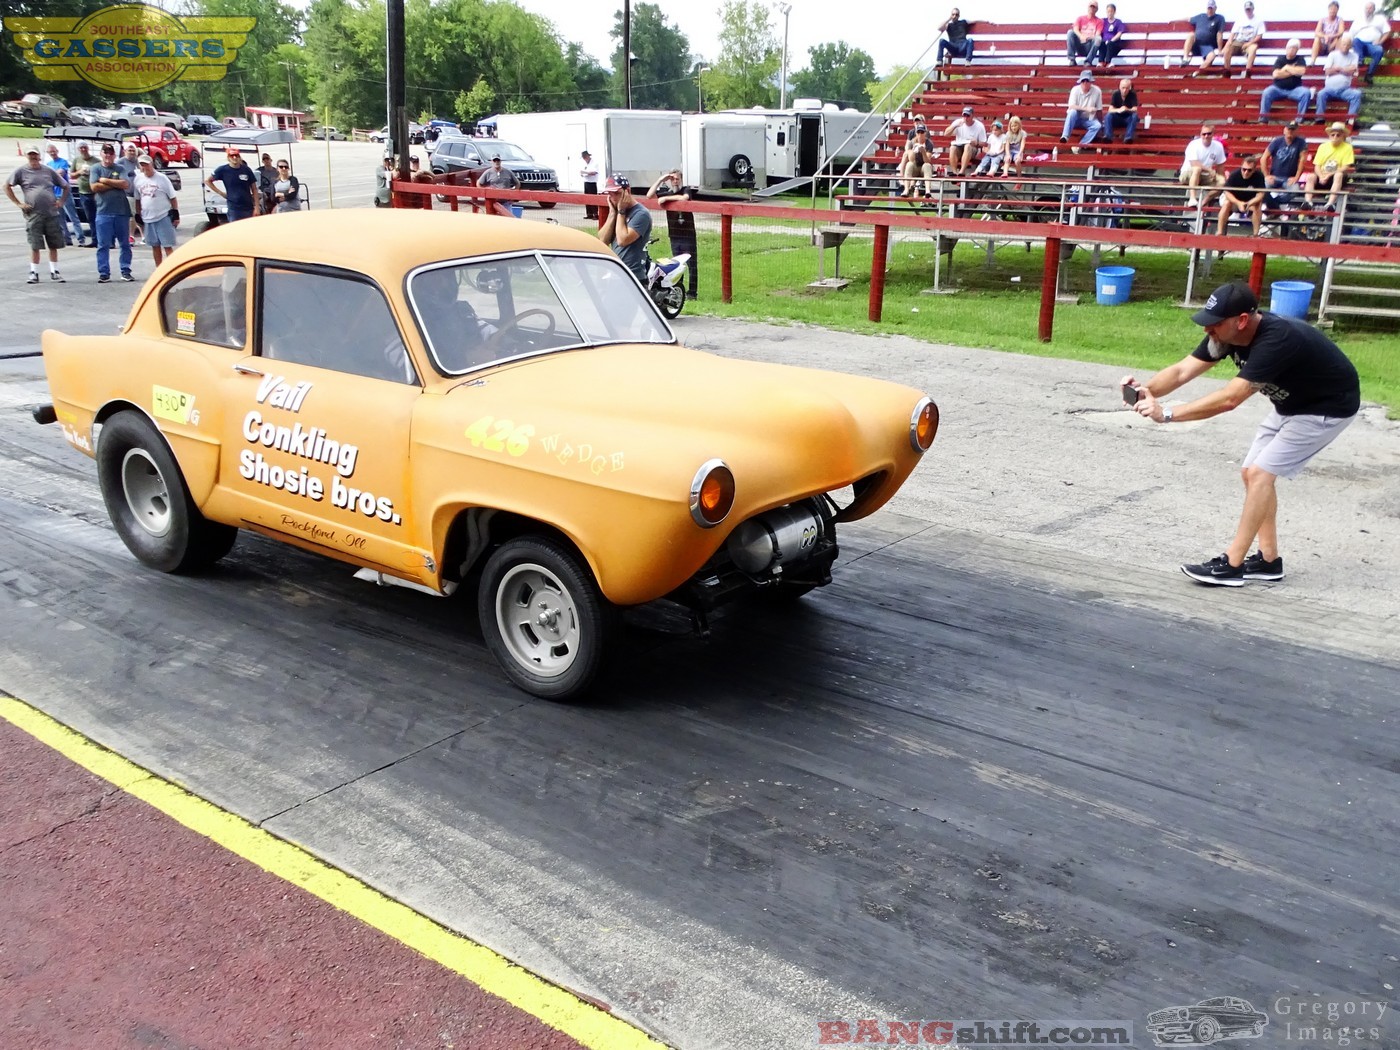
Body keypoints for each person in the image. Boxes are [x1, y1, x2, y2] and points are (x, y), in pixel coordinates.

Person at [1121, 281, 1359, 586]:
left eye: (1215, 325)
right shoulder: (1225, 336)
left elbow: (1230, 399)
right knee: (1250, 472)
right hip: (1291, 405)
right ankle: (1269, 561)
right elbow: (1183, 371)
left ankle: (1232, 565)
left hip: (1327, 408)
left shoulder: (1277, 339)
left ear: (1242, 320)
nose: (1208, 331)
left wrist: (1167, 414)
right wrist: (1145, 390)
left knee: (1261, 474)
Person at [5, 147, 67, 284]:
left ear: (39, 156)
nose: (33, 157)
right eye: (30, 155)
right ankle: (34, 272)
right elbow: (7, 186)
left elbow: (65, 185)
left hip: (51, 213)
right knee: (35, 244)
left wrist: (61, 201)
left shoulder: (48, 170)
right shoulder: (21, 171)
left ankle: (54, 271)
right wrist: (18, 203)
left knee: (53, 244)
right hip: (33, 213)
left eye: (35, 154)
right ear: (27, 156)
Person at [646, 169, 698, 298]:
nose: (675, 181)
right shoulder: (666, 192)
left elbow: (684, 198)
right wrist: (660, 180)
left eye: (677, 178)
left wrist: (666, 198)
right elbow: (649, 195)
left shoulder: (686, 190)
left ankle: (692, 293)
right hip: (674, 235)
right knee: (677, 264)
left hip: (688, 235)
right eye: (672, 179)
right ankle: (678, 289)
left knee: (692, 264)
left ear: (681, 179)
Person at [88, 142, 133, 283]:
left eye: (110, 153)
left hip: (121, 211)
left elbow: (125, 184)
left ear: (114, 155)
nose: (108, 155)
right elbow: (94, 187)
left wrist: (105, 180)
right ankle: (104, 272)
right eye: (105, 152)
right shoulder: (95, 168)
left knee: (124, 243)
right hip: (103, 212)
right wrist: (114, 183)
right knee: (103, 245)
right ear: (101, 153)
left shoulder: (120, 168)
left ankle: (125, 271)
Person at [598, 174, 651, 283]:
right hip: (615, 273)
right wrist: (613, 213)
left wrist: (621, 212)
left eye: (617, 193)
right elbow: (603, 240)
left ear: (627, 191)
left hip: (634, 276)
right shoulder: (616, 212)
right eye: (609, 194)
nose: (613, 198)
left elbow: (623, 240)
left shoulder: (641, 214)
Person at [131, 153, 178, 266]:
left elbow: (172, 197)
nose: (144, 167)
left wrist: (175, 213)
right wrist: (138, 214)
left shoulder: (162, 178)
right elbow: (138, 198)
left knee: (167, 246)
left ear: (151, 164)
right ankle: (159, 269)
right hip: (148, 218)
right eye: (142, 165)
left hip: (163, 216)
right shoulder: (138, 179)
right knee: (155, 246)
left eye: (146, 165)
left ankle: (172, 269)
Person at [1303, 121, 1354, 209]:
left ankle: (1330, 203)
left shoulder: (1347, 147)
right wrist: (1321, 176)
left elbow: (1345, 166)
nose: (1335, 137)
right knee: (1311, 176)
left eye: (1338, 135)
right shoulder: (1323, 146)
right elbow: (1317, 165)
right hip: (1322, 174)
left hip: (1336, 175)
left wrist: (1329, 175)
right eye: (1333, 135)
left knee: (1338, 175)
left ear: (1343, 136)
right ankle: (1308, 201)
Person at [1215, 154, 1267, 241]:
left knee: (1257, 206)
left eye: (1249, 170)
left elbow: (1260, 194)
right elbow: (1227, 192)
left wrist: (1249, 203)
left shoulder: (1259, 176)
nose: (1246, 172)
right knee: (1227, 203)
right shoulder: (1235, 175)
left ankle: (1255, 234)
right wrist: (1238, 203)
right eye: (1244, 169)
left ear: (1254, 170)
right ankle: (1219, 232)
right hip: (1234, 201)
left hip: (1249, 202)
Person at [1258, 39, 1311, 121]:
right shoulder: (1280, 59)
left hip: (1295, 89)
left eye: (1294, 48)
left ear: (1297, 50)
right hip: (1278, 88)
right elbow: (1275, 75)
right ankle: (1263, 119)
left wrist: (1286, 68)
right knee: (1267, 92)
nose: (1291, 50)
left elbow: (1301, 72)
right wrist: (1293, 71)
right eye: (1290, 47)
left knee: (1306, 93)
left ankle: (1299, 120)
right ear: (1286, 48)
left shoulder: (1300, 59)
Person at [205, 147, 260, 222]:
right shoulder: (223, 170)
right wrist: (221, 193)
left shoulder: (246, 169)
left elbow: (254, 189)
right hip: (234, 208)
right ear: (228, 158)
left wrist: (257, 207)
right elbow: (208, 181)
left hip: (248, 207)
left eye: (236, 155)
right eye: (232, 156)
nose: (234, 157)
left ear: (239, 157)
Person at [1261, 120, 1309, 208]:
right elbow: (1263, 158)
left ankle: (1275, 202)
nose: (1290, 131)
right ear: (1284, 130)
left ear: (1296, 131)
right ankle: (1274, 204)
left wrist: (1297, 177)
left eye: (1293, 129)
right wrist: (1266, 175)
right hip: (1274, 176)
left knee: (1295, 190)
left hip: (1289, 178)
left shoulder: (1301, 142)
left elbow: (1303, 160)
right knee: (1261, 187)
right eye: (1288, 129)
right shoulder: (1277, 141)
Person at [1316, 35, 1363, 120]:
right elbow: (1328, 72)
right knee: (1321, 94)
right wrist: (1345, 69)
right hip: (1329, 89)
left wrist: (1338, 68)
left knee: (1357, 94)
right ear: (1339, 44)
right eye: (1344, 44)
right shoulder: (1332, 55)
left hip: (1344, 90)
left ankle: (1350, 120)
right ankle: (1319, 119)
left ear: (1350, 46)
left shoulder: (1354, 56)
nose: (1345, 46)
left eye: (1348, 44)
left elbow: (1352, 71)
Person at [1180, 123, 1227, 207]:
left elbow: (1220, 167)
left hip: (1205, 176)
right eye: (1203, 134)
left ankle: (1205, 201)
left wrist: (1219, 177)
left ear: (1213, 134)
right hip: (1187, 174)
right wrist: (1210, 170)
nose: (1206, 136)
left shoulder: (1218, 146)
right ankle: (1192, 198)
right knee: (1197, 169)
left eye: (1209, 133)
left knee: (1222, 181)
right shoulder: (1193, 144)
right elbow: (1194, 163)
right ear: (1200, 134)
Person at [1219, 1, 1266, 77]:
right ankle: (1227, 71)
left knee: (1254, 48)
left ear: (1253, 9)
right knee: (1227, 49)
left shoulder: (1259, 21)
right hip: (1238, 42)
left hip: (1250, 43)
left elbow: (1259, 36)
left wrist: (1249, 43)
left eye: (1249, 9)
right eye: (1247, 9)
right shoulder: (1240, 19)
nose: (1248, 11)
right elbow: (1233, 34)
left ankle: (1248, 72)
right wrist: (1229, 43)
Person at [1349, 0, 1392, 83]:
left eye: (1370, 8)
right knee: (1356, 40)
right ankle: (1360, 60)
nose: (1368, 10)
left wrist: (1380, 41)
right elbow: (1351, 34)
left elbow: (1387, 31)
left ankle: (1369, 74)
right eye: (1367, 8)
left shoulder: (1380, 19)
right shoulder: (1358, 19)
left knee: (1379, 51)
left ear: (1374, 9)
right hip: (1360, 44)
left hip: (1373, 44)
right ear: (1364, 9)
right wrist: (1349, 47)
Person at [1060, 70, 1103, 149]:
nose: (1085, 83)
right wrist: (1086, 109)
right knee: (1072, 112)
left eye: (1087, 81)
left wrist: (1101, 122)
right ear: (1080, 82)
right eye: (1083, 81)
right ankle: (1065, 136)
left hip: (1088, 119)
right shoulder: (1075, 90)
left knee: (1097, 125)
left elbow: (1099, 109)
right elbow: (1071, 106)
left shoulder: (1097, 91)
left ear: (1091, 82)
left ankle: (1081, 145)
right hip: (1075, 119)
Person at [944, 107, 987, 175]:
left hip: (971, 148)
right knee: (952, 148)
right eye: (964, 115)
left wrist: (977, 142)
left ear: (972, 116)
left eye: (968, 116)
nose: (966, 118)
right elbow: (946, 134)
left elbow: (984, 143)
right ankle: (954, 172)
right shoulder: (958, 122)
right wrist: (955, 126)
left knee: (967, 146)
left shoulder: (979, 126)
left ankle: (962, 171)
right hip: (959, 146)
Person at [1183, 1, 1226, 68]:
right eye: (1209, 8)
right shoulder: (1201, 16)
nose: (1210, 10)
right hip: (1196, 44)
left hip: (1207, 46)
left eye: (1211, 8)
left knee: (1212, 56)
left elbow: (1219, 34)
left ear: (1215, 8)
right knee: (1191, 35)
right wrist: (1173, 21)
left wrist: (1220, 50)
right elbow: (1188, 19)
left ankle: (1196, 73)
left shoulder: (1219, 18)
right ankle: (1185, 58)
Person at [899, 123, 935, 196]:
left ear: (925, 133)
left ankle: (928, 191)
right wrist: (914, 150)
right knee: (909, 164)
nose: (920, 134)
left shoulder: (929, 143)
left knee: (927, 165)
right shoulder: (912, 142)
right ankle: (906, 189)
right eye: (918, 132)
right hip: (915, 166)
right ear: (916, 133)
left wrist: (923, 152)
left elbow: (927, 161)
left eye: (922, 132)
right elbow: (911, 159)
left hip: (923, 168)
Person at [72, 141, 95, 244]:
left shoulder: (95, 161)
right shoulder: (76, 160)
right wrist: (79, 172)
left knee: (98, 217)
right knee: (90, 217)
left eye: (85, 147)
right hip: (83, 192)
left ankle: (101, 239)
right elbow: (72, 175)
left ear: (88, 148)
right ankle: (95, 239)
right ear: (78, 150)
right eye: (81, 148)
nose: (83, 149)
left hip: (95, 192)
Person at [1103, 77, 1140, 142]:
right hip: (1117, 118)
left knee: (1134, 116)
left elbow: (1135, 109)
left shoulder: (1132, 94)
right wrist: (1118, 110)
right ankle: (1108, 136)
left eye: (1127, 88)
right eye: (1123, 88)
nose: (1125, 90)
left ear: (1130, 88)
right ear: (1119, 87)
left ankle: (1128, 137)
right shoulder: (1116, 94)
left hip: (1128, 119)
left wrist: (1127, 109)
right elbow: (1110, 109)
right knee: (1108, 115)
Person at [1309, 0, 1343, 64]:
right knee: (1317, 38)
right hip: (1323, 43)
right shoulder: (1322, 20)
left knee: (1339, 38)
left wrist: (1331, 36)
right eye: (1331, 9)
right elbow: (1316, 32)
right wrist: (1325, 36)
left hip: (1333, 43)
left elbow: (1341, 32)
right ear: (1328, 9)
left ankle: (1337, 61)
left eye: (1334, 9)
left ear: (1337, 10)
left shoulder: (1340, 20)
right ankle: (1313, 61)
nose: (1332, 11)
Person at [580, 149, 599, 219]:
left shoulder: (594, 163)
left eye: (585, 157)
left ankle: (595, 214)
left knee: (593, 198)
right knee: (587, 198)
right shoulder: (584, 164)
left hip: (592, 183)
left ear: (588, 156)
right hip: (586, 182)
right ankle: (589, 214)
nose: (584, 159)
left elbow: (594, 172)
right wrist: (582, 173)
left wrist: (586, 173)